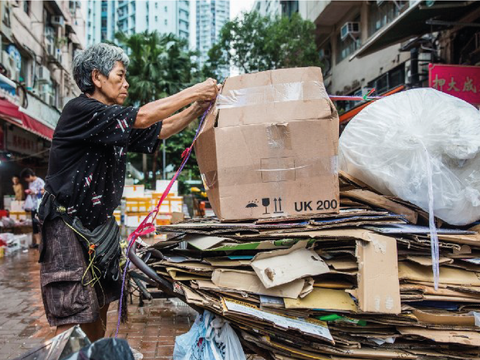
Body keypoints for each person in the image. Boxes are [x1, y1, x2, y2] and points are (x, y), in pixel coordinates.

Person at [38, 43, 219, 342]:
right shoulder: (79, 110)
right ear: (96, 77)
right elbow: (145, 117)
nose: (127, 83)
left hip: (99, 229)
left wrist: (197, 108)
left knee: (98, 309)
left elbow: (159, 129)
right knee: (72, 313)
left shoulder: (110, 121)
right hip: (66, 226)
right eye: (120, 76)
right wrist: (196, 90)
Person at [20, 168, 44, 249]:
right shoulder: (30, 183)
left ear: (29, 176)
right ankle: (37, 243)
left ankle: (43, 242)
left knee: (40, 224)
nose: (26, 180)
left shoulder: (39, 181)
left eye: (26, 178)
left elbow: (45, 191)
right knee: (34, 225)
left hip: (40, 206)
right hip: (33, 207)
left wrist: (35, 192)